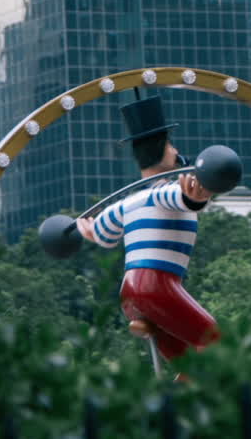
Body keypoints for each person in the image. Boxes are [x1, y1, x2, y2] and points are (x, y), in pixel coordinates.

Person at [75, 94, 221, 362]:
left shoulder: (129, 202)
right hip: (157, 286)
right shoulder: (162, 193)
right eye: (170, 145)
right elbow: (177, 199)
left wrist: (87, 229)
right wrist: (193, 197)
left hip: (130, 293)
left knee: (188, 363)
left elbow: (104, 234)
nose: (176, 151)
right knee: (214, 343)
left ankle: (180, 397)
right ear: (161, 149)